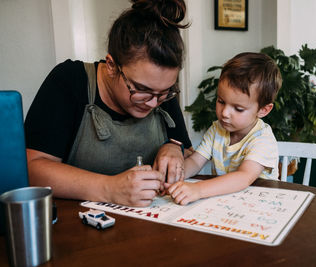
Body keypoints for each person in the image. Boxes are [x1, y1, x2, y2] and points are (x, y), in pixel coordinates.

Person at [24, 0, 192, 207]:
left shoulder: (158, 94)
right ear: (112, 66)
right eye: (141, 90)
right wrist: (109, 188)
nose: (152, 103)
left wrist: (175, 149)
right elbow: (32, 169)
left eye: (164, 92)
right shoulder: (69, 81)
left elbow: (190, 155)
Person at [167, 52, 282, 205]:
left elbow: (243, 176)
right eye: (221, 101)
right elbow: (195, 161)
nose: (225, 113)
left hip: (258, 205)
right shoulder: (217, 129)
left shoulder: (263, 139)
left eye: (238, 109)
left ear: (263, 110)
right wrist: (174, 177)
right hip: (225, 203)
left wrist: (198, 189)